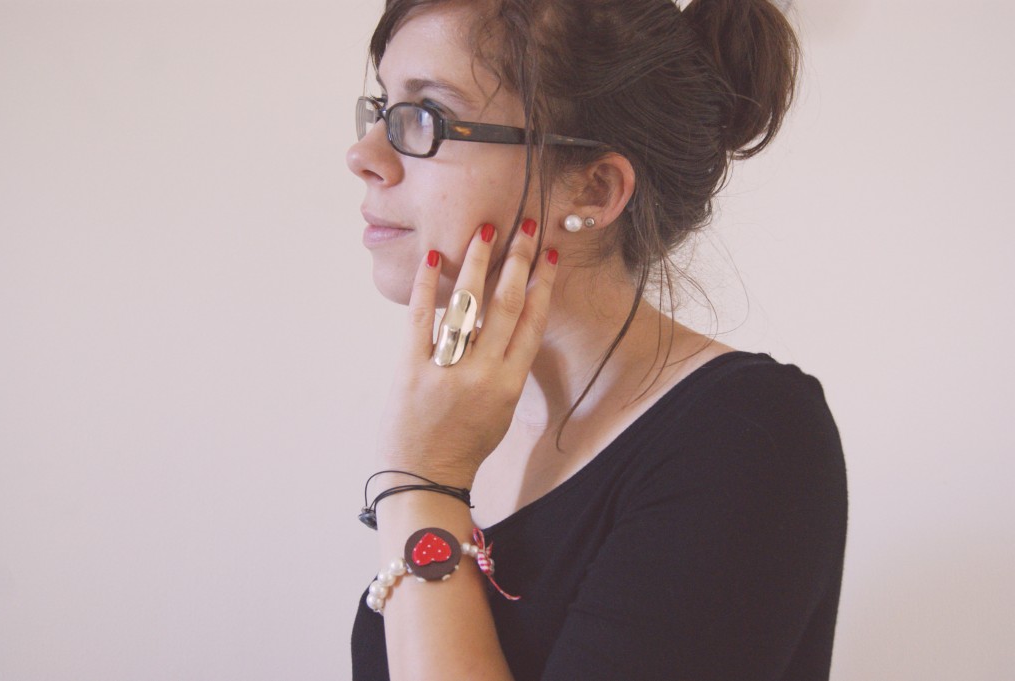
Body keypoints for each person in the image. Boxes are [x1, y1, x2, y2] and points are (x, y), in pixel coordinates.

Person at [346, 0, 847, 679]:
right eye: (382, 109)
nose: (364, 156)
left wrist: (423, 480)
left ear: (594, 188)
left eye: (425, 116)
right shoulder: (459, 424)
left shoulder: (751, 435)